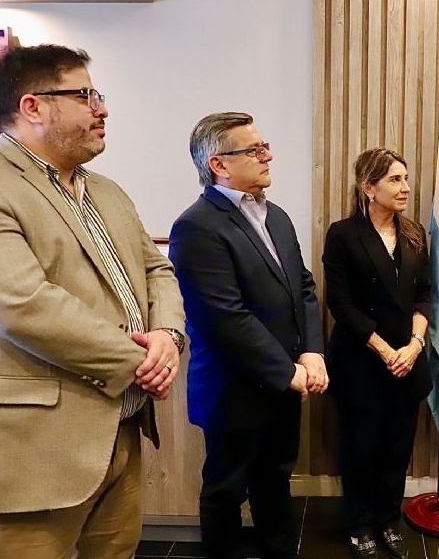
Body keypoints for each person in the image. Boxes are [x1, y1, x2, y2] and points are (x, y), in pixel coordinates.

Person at [0, 45, 186, 558]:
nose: (101, 109)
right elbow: (22, 304)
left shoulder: (106, 190)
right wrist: (142, 363)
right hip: (33, 446)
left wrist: (168, 336)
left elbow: (157, 269)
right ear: (33, 106)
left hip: (120, 431)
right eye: (85, 96)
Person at [169, 112, 327, 559]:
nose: (267, 156)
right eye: (254, 150)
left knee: (275, 482)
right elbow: (224, 318)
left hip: (284, 383)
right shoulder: (197, 226)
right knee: (226, 490)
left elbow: (303, 287)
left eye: (265, 146)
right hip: (235, 392)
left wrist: (312, 352)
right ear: (219, 164)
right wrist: (289, 372)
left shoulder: (276, 216)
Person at [323, 148, 431, 559]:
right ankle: (360, 526)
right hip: (362, 364)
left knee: (397, 449)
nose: (405, 188)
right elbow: (341, 305)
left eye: (406, 178)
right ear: (369, 188)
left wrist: (414, 347)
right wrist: (387, 352)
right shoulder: (343, 234)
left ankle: (388, 520)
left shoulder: (415, 234)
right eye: (394, 180)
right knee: (360, 449)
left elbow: (425, 296)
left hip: (408, 362)